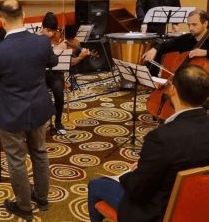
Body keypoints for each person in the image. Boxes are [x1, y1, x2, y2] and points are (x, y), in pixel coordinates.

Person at [87, 65, 209, 222]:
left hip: (160, 213)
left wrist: (128, 175)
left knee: (96, 184)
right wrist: (148, 164)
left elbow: (138, 190)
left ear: (173, 90)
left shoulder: (161, 137)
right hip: (199, 207)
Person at [0, 0, 59, 221]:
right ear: (25, 14)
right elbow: (53, 61)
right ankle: (42, 198)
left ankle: (23, 206)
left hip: (12, 114)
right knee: (40, 152)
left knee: (17, 160)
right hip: (39, 108)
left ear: (2, 21)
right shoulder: (42, 42)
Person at [40, 12, 89, 135]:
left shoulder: (61, 42)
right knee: (39, 91)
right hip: (40, 74)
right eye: (49, 31)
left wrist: (80, 58)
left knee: (58, 88)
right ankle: (40, 120)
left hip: (55, 74)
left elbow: (69, 63)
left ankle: (58, 122)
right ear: (43, 28)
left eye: (54, 31)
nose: (52, 34)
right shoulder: (37, 39)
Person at [142, 10, 209, 73]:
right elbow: (167, 44)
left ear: (205, 23)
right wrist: (155, 49)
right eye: (189, 25)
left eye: (194, 24)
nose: (190, 28)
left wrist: (206, 52)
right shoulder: (187, 38)